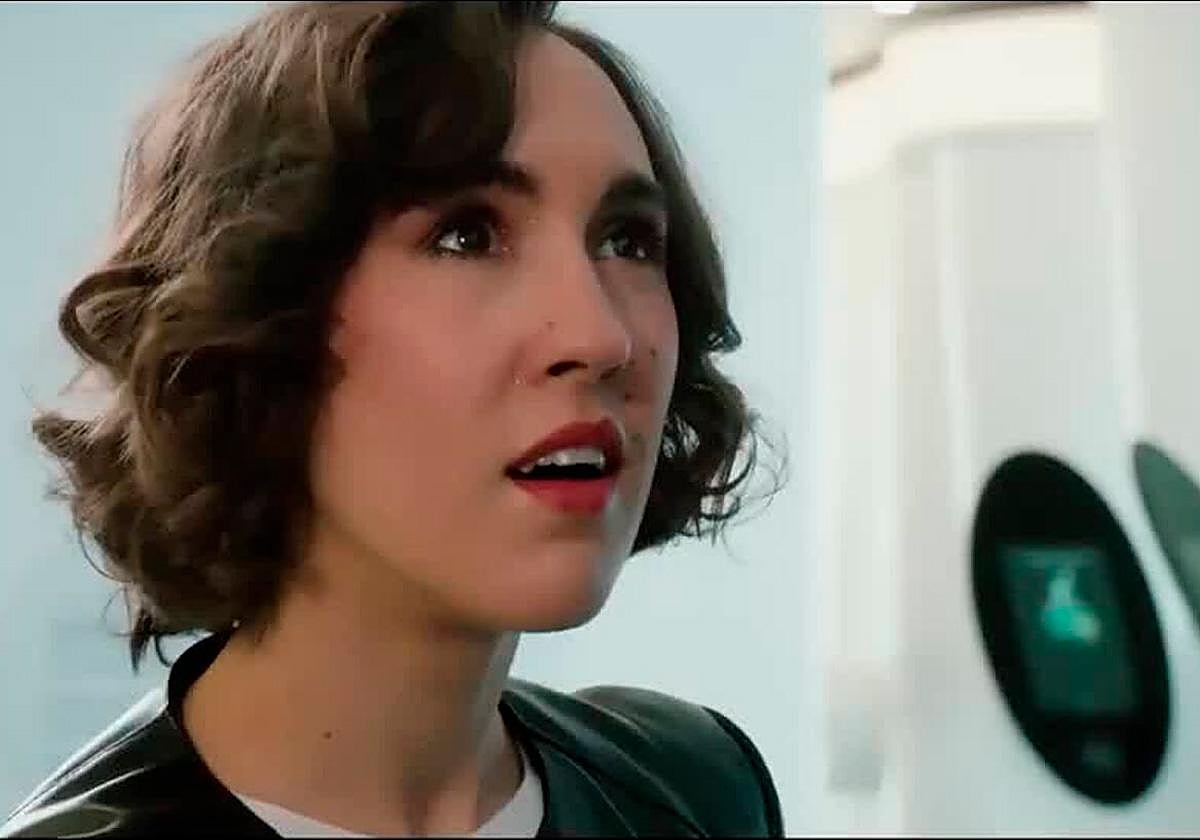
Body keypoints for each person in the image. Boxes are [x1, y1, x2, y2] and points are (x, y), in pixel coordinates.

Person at [1, 1, 783, 836]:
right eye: (466, 235)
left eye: (627, 240)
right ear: (255, 315)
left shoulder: (695, 790)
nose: (600, 336)